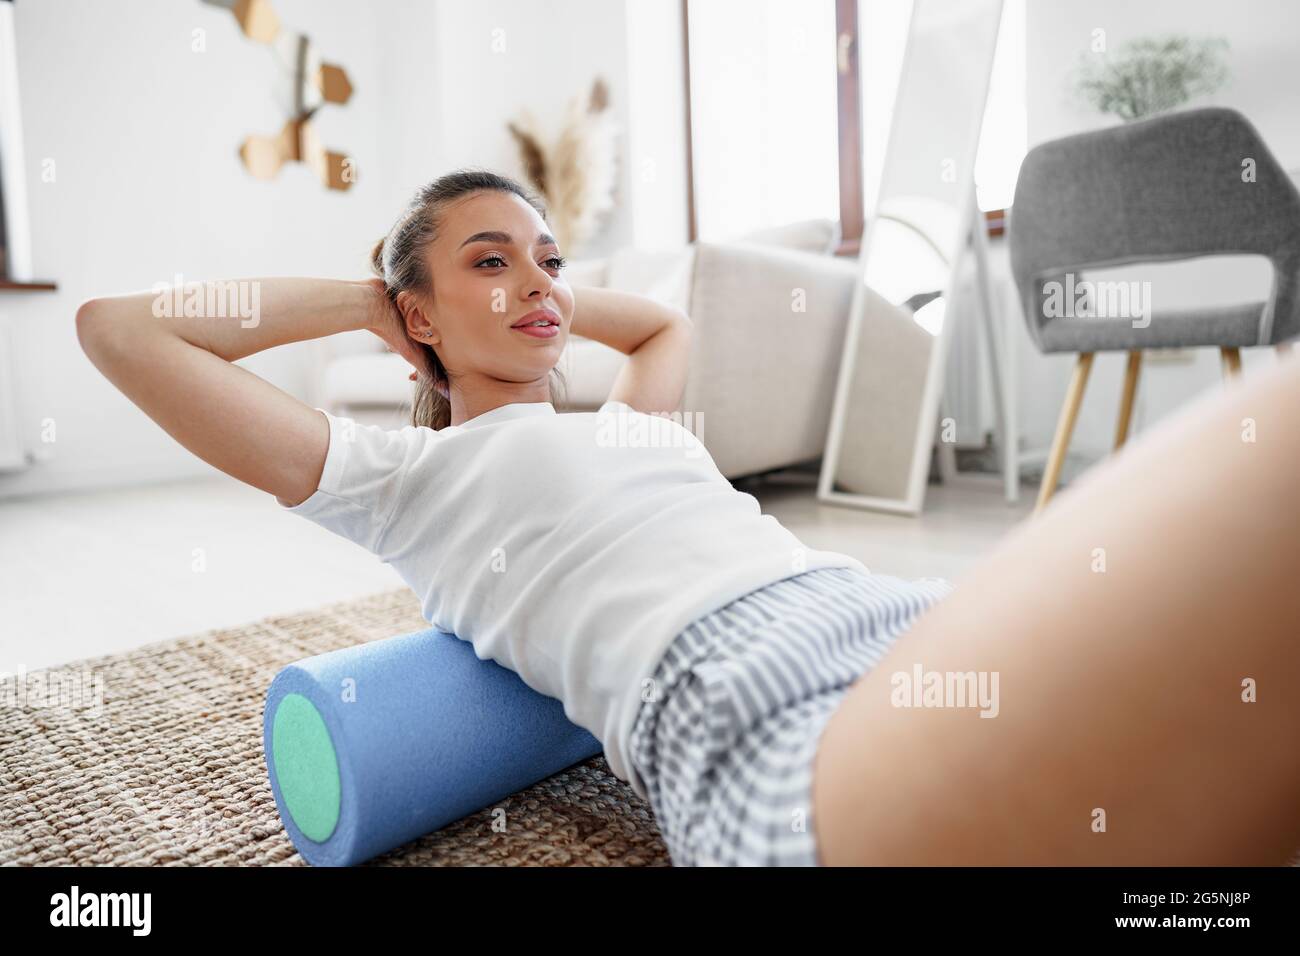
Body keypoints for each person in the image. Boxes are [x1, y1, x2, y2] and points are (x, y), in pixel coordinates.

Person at [77, 169, 1300, 866]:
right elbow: (121, 330)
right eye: (491, 261)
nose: (542, 284)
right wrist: (368, 296)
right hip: (756, 711)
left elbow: (664, 326)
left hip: (889, 615)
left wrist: (518, 279)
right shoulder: (399, 477)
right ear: (421, 318)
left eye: (551, 259)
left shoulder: (634, 424)